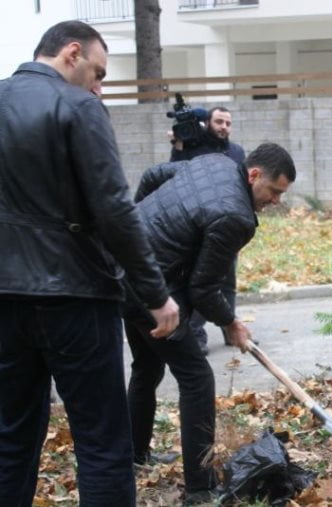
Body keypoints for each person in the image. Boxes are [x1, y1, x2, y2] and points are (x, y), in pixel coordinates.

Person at [0, 20, 180, 507]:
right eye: (98, 73)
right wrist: (156, 294)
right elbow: (114, 209)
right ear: (71, 54)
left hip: (4, 299)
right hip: (76, 296)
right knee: (102, 443)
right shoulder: (79, 106)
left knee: (9, 438)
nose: (99, 87)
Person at [124, 143, 296, 505]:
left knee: (147, 367)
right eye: (274, 191)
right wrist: (231, 322)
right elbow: (204, 289)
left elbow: (154, 175)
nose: (276, 201)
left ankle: (135, 455)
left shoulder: (214, 162)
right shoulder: (236, 216)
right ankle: (200, 489)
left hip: (125, 271)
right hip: (153, 295)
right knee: (197, 379)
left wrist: (139, 225)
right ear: (253, 175)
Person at [169, 106, 246, 354]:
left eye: (228, 123)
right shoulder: (192, 147)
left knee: (229, 281)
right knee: (204, 280)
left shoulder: (236, 152)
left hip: (229, 224)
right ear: (208, 123)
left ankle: (229, 329)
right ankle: (197, 334)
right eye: (219, 121)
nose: (224, 127)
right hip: (200, 224)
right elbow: (175, 176)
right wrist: (178, 147)